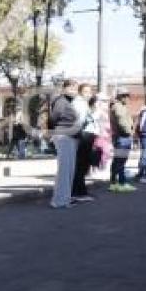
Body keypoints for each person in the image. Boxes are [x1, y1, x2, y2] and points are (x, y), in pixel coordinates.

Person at [48, 79, 82, 208]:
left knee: (69, 170)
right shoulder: (61, 101)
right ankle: (59, 201)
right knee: (64, 170)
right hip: (63, 136)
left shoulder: (68, 102)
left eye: (75, 89)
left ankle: (65, 199)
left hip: (69, 137)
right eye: (71, 88)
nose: (74, 91)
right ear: (64, 88)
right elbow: (53, 118)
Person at [71, 84, 99, 202]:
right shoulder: (79, 104)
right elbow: (79, 121)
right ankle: (78, 192)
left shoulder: (83, 103)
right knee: (81, 165)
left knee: (83, 165)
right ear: (80, 92)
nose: (88, 94)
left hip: (86, 135)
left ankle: (81, 190)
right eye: (85, 92)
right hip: (84, 135)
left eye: (90, 92)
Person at [110, 90, 136, 192]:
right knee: (121, 161)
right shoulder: (118, 107)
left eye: (128, 96)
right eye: (125, 96)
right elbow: (121, 121)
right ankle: (121, 183)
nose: (127, 98)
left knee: (117, 160)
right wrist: (129, 132)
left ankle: (114, 182)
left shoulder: (120, 106)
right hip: (122, 137)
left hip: (121, 136)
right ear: (120, 97)